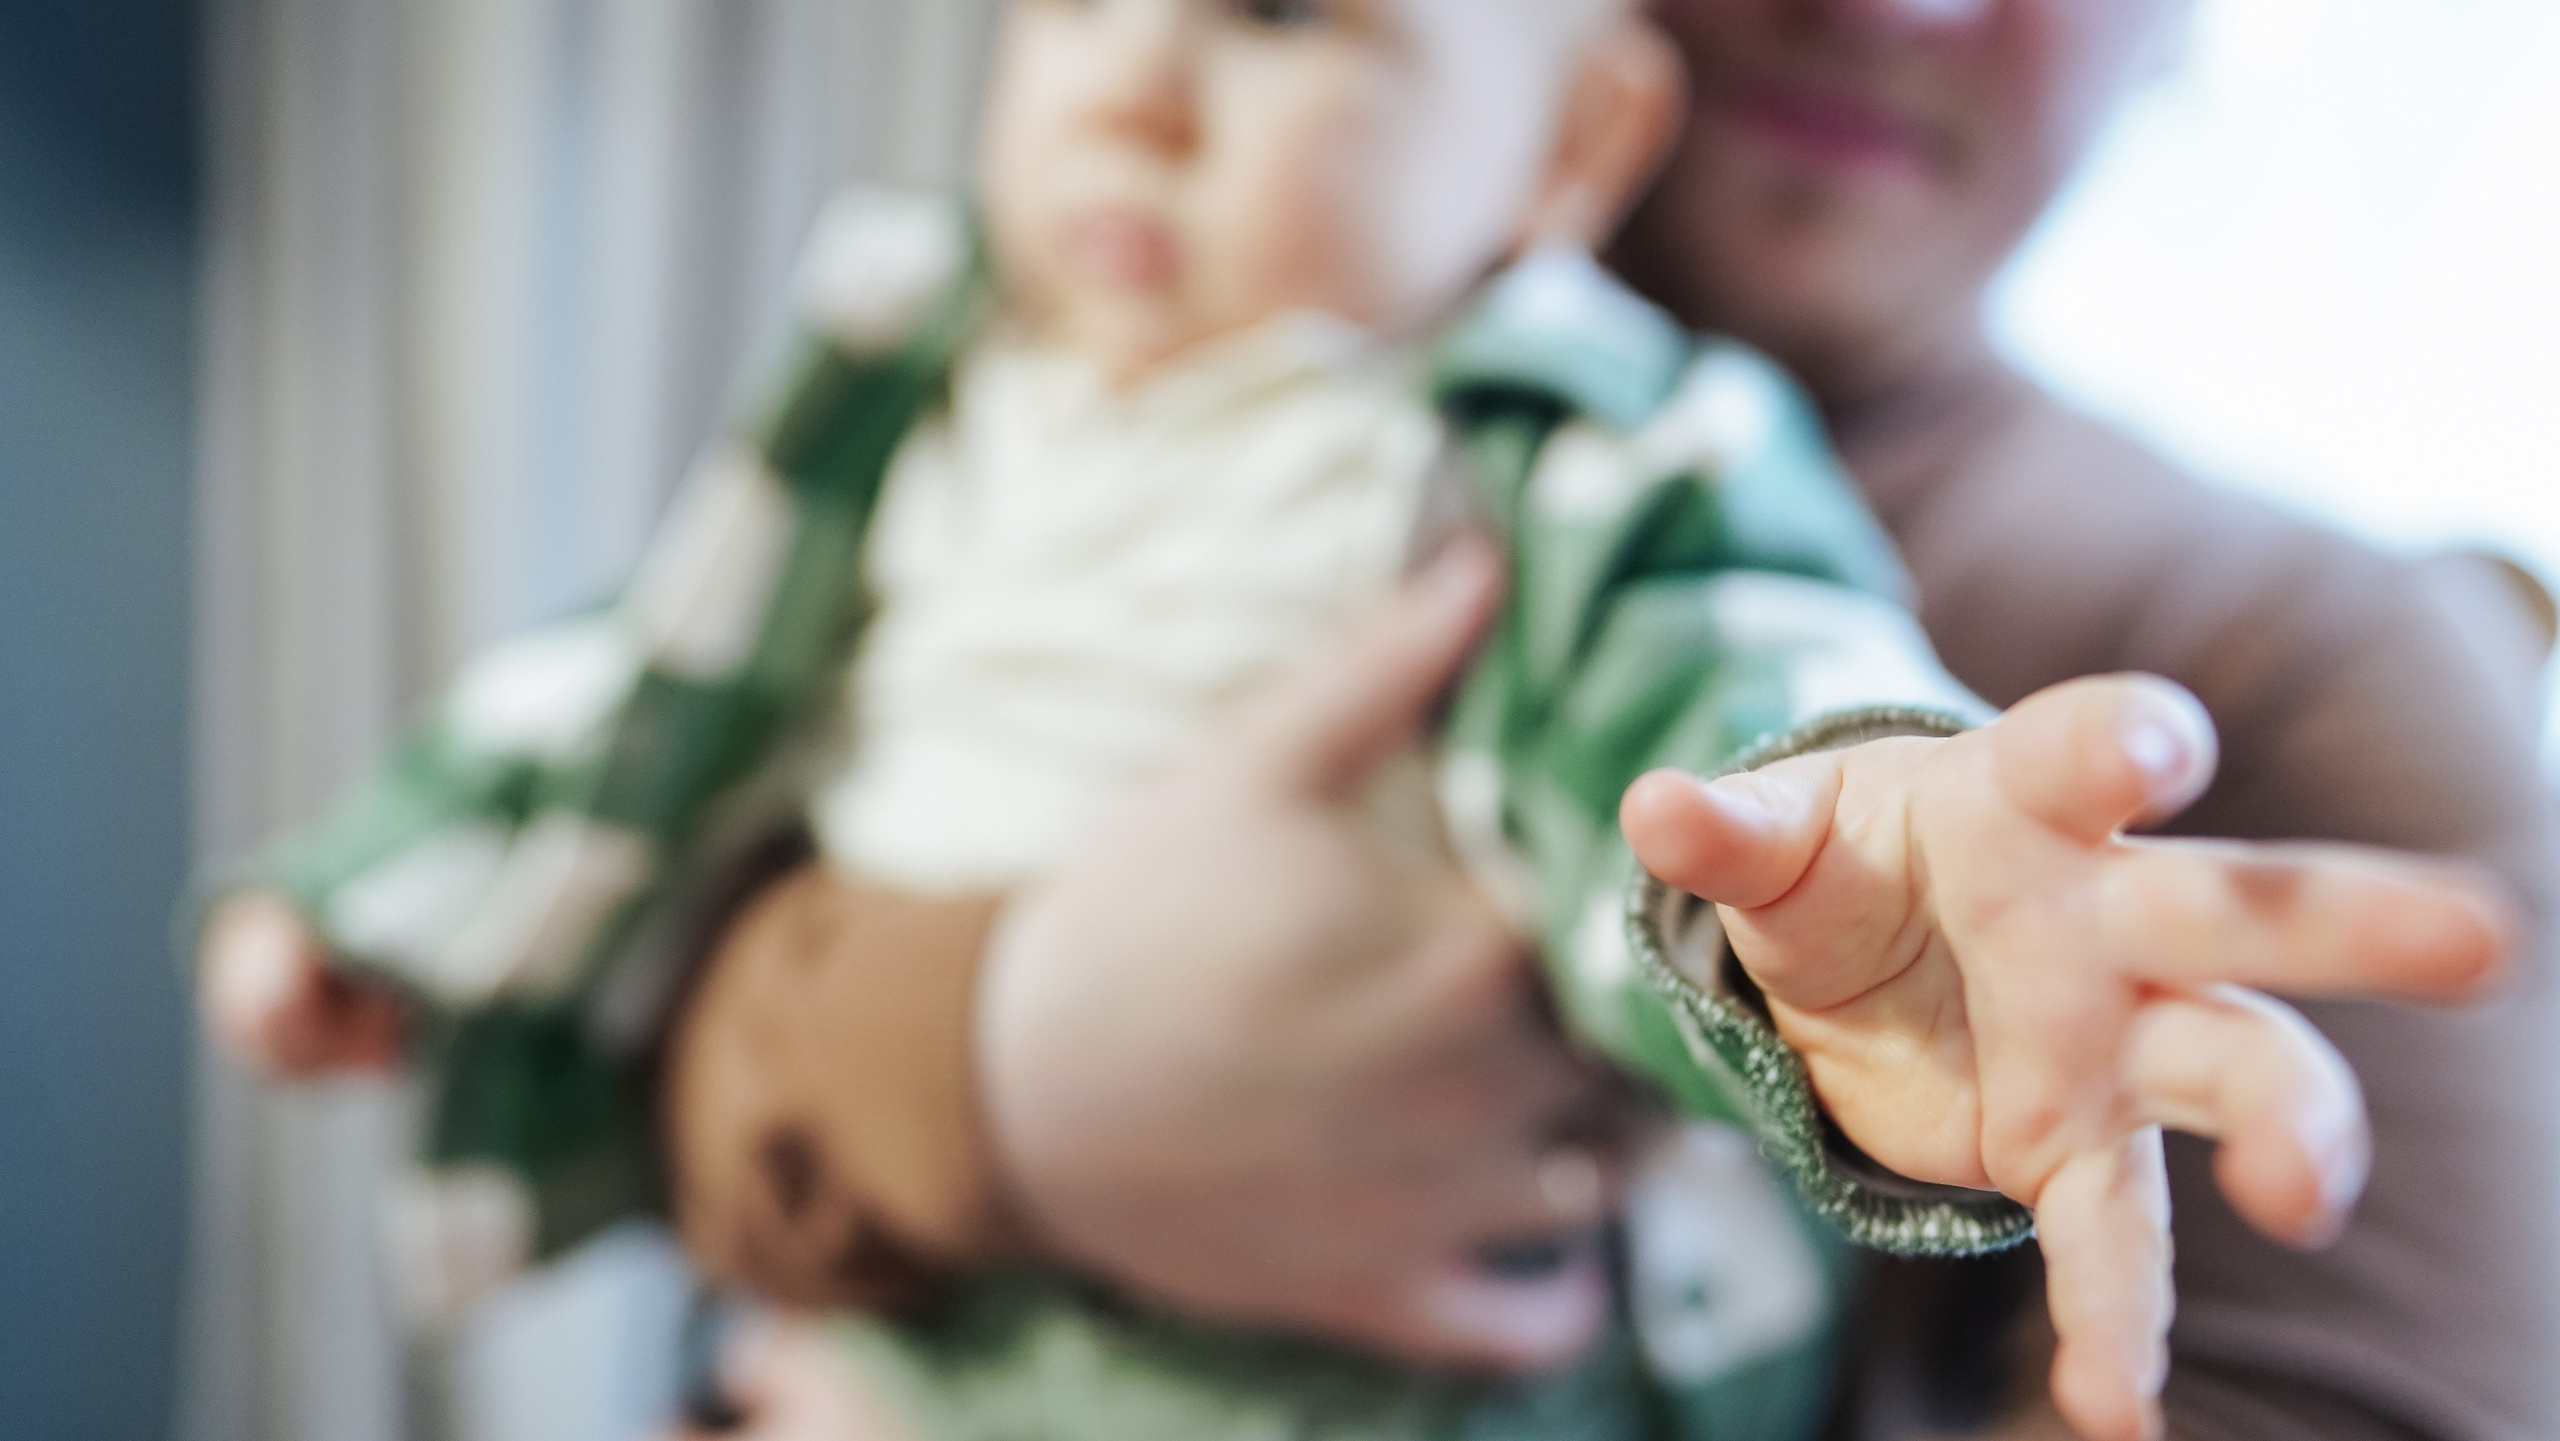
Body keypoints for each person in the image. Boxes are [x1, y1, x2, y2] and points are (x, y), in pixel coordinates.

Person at [197, 2, 2534, 1440]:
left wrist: (1844, 887)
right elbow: (659, 774)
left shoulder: (2288, 659)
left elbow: (1710, 708)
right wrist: (981, 1065)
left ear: (1562, 125)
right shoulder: (977, 393)